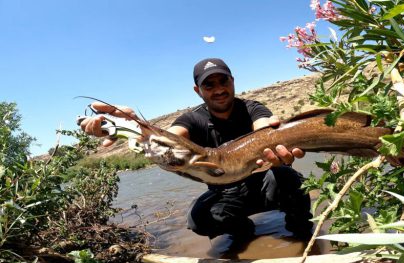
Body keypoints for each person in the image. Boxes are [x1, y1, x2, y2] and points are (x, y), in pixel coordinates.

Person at [80, 58, 313, 244]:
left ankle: (303, 235)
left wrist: (277, 141)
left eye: (224, 81)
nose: (219, 89)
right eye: (209, 85)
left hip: (266, 184)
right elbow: (172, 138)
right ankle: (245, 234)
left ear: (233, 81)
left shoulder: (252, 108)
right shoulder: (191, 119)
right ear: (197, 90)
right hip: (227, 193)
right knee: (199, 220)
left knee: (289, 178)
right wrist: (130, 127)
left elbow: (264, 129)